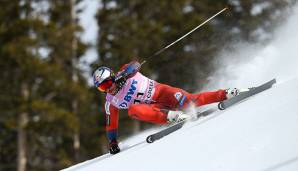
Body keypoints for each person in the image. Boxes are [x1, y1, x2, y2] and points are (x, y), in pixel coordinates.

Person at [93, 60, 240, 154]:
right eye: (101, 88)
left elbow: (135, 65)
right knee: (133, 110)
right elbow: (111, 124)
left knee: (191, 101)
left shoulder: (124, 72)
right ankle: (173, 117)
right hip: (155, 108)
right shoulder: (111, 101)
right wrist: (112, 142)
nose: (107, 89)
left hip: (163, 93)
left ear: (112, 77)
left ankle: (227, 94)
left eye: (106, 84)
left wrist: (124, 75)